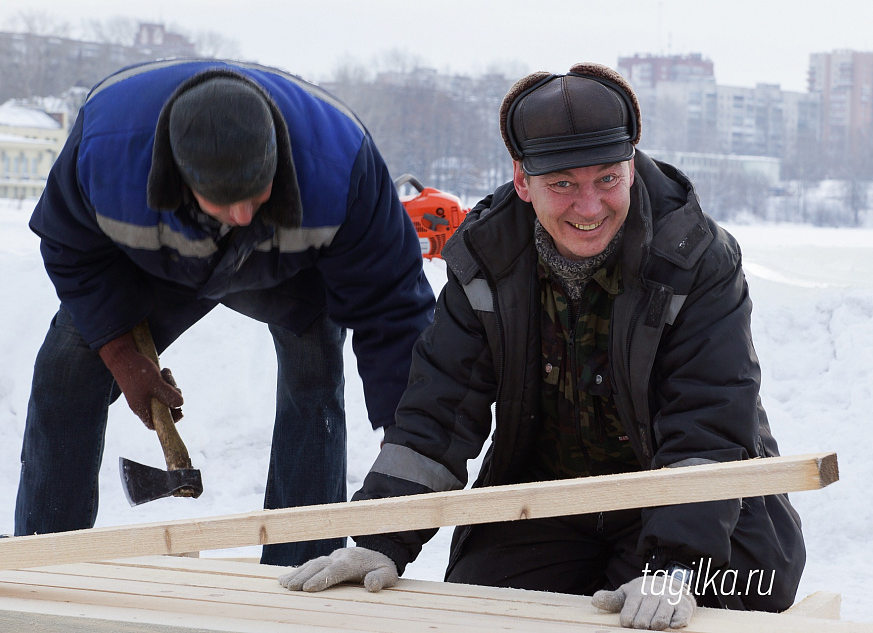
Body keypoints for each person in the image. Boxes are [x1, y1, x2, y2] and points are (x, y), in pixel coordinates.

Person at [278, 63, 805, 629]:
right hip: (548, 501)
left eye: (607, 179)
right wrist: (383, 538)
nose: (589, 206)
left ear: (631, 166)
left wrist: (677, 567)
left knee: (731, 594)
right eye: (563, 185)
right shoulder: (485, 259)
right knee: (479, 611)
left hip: (696, 506)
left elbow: (709, 420)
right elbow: (440, 410)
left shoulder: (695, 258)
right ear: (522, 181)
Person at [15, 59, 435, 567]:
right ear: (176, 178)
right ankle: (46, 559)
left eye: (254, 194)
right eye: (222, 201)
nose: (240, 216)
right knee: (64, 371)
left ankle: (302, 564)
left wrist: (408, 447)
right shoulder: (107, 156)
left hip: (291, 265)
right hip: (156, 258)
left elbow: (392, 309)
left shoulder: (340, 166)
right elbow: (71, 250)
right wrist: (121, 352)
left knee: (315, 374)